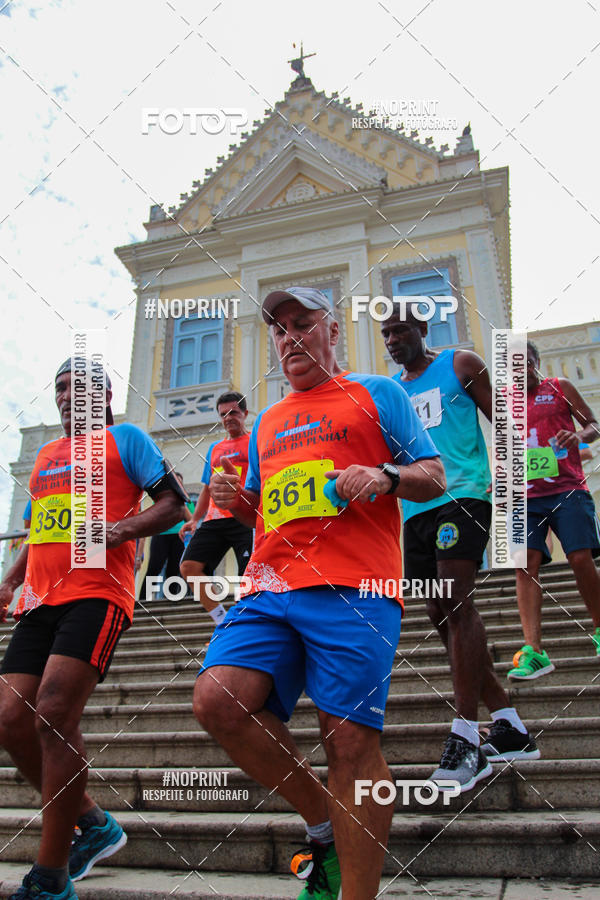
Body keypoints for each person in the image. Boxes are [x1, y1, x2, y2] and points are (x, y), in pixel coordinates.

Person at [193, 286, 445, 900]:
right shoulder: (270, 421)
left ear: (332, 331)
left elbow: (433, 476)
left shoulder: (378, 393)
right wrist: (238, 502)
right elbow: (262, 512)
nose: (289, 339)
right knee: (217, 700)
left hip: (356, 587)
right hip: (269, 584)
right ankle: (324, 820)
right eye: (279, 330)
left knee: (351, 745)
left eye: (302, 324)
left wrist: (383, 476)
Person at [0, 358, 187, 900]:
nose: (65, 396)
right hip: (38, 600)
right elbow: (39, 530)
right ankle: (94, 823)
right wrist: (11, 581)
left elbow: (174, 503)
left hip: (97, 595)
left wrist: (121, 529)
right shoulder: (46, 458)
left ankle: (51, 877)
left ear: (103, 395)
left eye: (77, 387)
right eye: (59, 388)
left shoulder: (125, 439)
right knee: (11, 718)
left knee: (54, 714)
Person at [381, 301, 540, 793]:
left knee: (456, 598)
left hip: (464, 493)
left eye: (401, 330)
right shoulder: (393, 394)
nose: (392, 341)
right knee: (438, 612)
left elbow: (503, 421)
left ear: (423, 329)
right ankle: (509, 725)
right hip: (414, 510)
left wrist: (517, 487)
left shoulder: (460, 364)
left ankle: (467, 736)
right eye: (385, 334)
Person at [510, 341, 600, 679]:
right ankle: (534, 651)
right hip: (525, 496)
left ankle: (599, 628)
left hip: (567, 488)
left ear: (537, 362)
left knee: (579, 557)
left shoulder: (560, 388)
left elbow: (594, 425)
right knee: (525, 565)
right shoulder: (504, 399)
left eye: (527, 363)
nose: (522, 371)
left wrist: (578, 436)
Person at [179, 392, 253, 626]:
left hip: (244, 516)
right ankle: (222, 621)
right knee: (189, 567)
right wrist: (194, 519)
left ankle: (246, 626)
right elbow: (206, 488)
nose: (228, 417)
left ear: (245, 414)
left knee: (250, 575)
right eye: (223, 414)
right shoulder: (215, 448)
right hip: (214, 519)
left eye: (233, 412)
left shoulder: (255, 441)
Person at [136, 472, 194, 601]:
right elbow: (153, 517)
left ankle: (171, 599)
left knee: (173, 570)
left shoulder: (187, 500)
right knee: (154, 567)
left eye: (179, 483)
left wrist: (181, 503)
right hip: (161, 535)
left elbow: (191, 521)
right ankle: (144, 600)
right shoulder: (161, 498)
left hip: (179, 536)